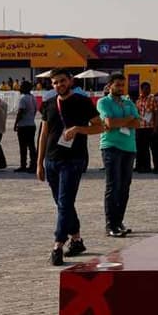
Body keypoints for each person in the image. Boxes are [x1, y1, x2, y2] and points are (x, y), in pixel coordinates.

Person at [36, 69, 109, 265]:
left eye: (62, 81)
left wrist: (78, 129)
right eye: (55, 83)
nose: (59, 85)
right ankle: (76, 240)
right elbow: (44, 134)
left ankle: (58, 244)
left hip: (73, 160)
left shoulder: (82, 102)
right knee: (63, 203)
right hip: (52, 160)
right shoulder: (49, 104)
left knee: (65, 201)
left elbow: (100, 126)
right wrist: (39, 163)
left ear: (70, 81)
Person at [97, 72, 144, 237]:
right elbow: (109, 123)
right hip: (111, 147)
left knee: (124, 187)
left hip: (129, 148)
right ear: (109, 85)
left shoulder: (128, 102)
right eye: (117, 85)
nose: (120, 88)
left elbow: (138, 123)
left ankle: (119, 222)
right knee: (113, 185)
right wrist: (128, 119)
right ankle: (110, 224)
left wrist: (124, 121)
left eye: (122, 85)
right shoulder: (103, 102)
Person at [13, 81, 39, 173]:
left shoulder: (23, 98)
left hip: (23, 126)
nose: (20, 88)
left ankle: (23, 165)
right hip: (31, 124)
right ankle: (33, 164)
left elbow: (20, 112)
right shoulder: (33, 97)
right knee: (31, 146)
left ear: (24, 88)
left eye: (21, 87)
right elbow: (36, 110)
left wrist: (16, 123)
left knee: (23, 147)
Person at [133, 82, 158, 173]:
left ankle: (150, 167)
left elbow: (156, 114)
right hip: (140, 127)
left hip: (149, 127)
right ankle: (139, 166)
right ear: (141, 89)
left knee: (149, 148)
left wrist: (155, 127)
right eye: (146, 88)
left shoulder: (153, 99)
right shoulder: (138, 100)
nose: (148, 90)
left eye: (149, 88)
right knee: (139, 148)